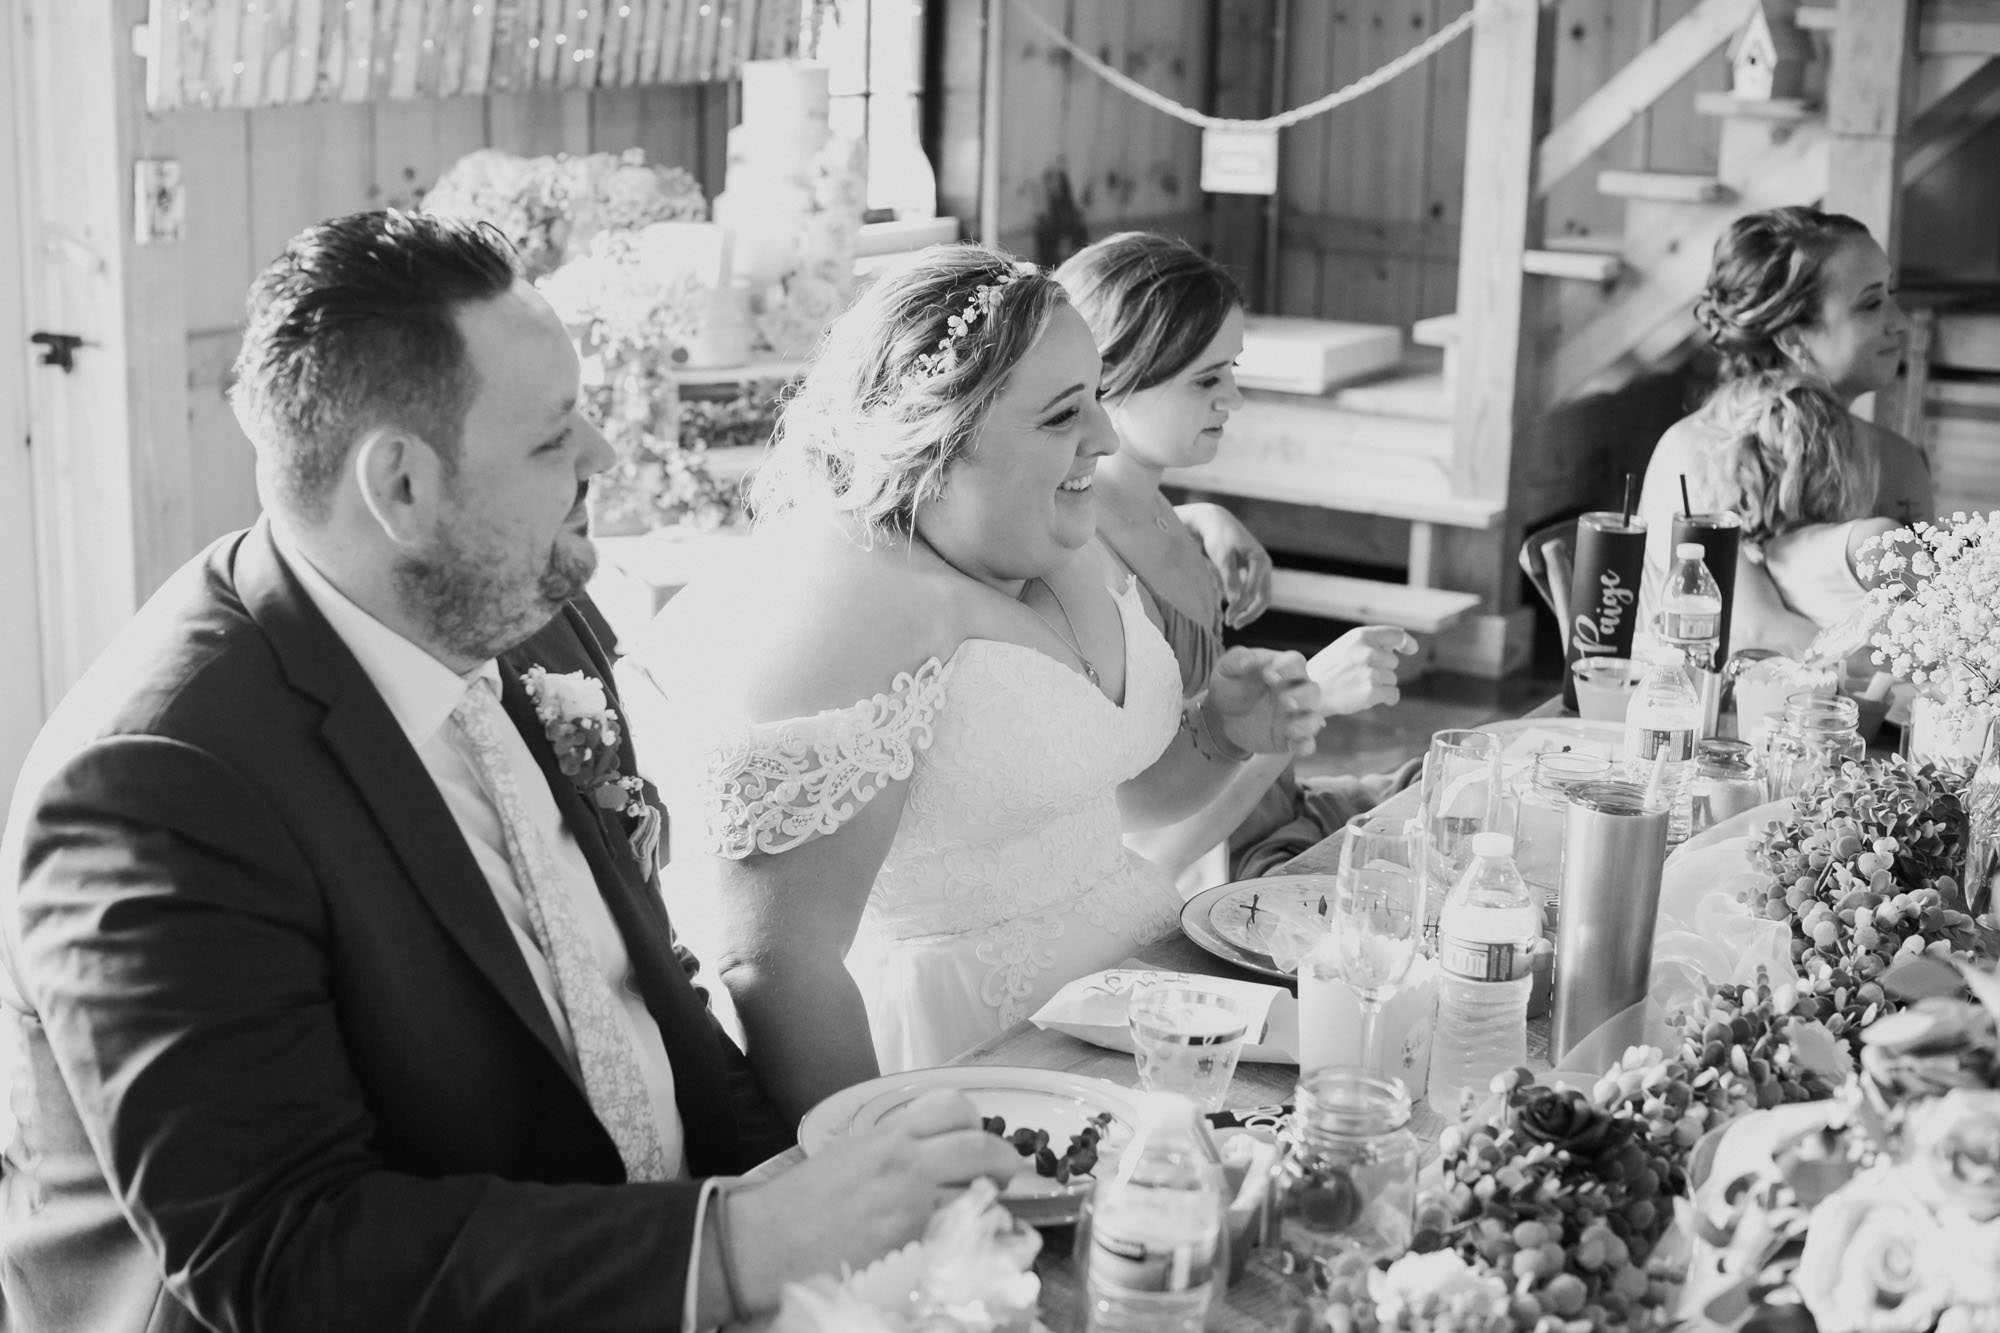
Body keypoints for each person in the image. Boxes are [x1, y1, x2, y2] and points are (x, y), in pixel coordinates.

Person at [0, 209, 1020, 1333]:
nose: (604, 456)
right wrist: (738, 1244)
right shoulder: (156, 785)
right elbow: (286, 1257)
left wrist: (805, 1181)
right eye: (551, 439)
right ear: (400, 486)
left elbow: (640, 987)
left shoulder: (521, 607)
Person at [618, 244, 1324, 1109]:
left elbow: (1115, 802)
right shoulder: (851, 606)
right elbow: (774, 960)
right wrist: (878, 1148)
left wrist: (1219, 731)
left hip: (1140, 1009)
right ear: (940, 441)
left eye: (1096, 397)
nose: (1104, 437)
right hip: (970, 1053)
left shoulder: (1061, 534)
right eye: (1062, 415)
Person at [1054, 231, 1421, 881]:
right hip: (1227, 868)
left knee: (1461, 782)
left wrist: (1202, 518)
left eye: (1232, 370)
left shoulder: (1156, 510)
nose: (1233, 398)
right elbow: (1153, 847)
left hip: (1283, 811)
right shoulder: (1094, 575)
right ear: (1109, 380)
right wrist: (1309, 700)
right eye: (1206, 379)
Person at [1635, 206, 1931, 654]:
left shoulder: (1900, 462)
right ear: (1794, 339)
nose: (1901, 322)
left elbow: (1931, 632)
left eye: (1890, 294)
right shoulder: (1698, 451)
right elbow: (1753, 634)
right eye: (1871, 303)